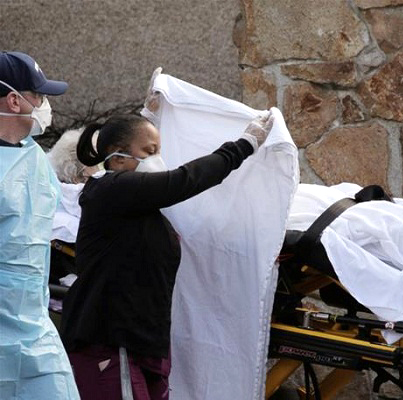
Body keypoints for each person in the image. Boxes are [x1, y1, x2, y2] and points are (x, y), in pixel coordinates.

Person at [59, 110, 273, 400]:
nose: (157, 159)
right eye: (150, 152)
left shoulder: (142, 209)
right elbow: (183, 181)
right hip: (110, 339)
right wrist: (243, 146)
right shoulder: (109, 189)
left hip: (144, 342)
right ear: (117, 157)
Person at [0, 51, 80, 398]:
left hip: (34, 325)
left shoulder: (34, 158)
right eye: (39, 95)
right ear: (14, 100)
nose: (45, 105)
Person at [47, 128, 101, 285]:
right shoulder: (64, 223)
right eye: (97, 164)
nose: (100, 170)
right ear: (76, 175)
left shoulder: (52, 202)